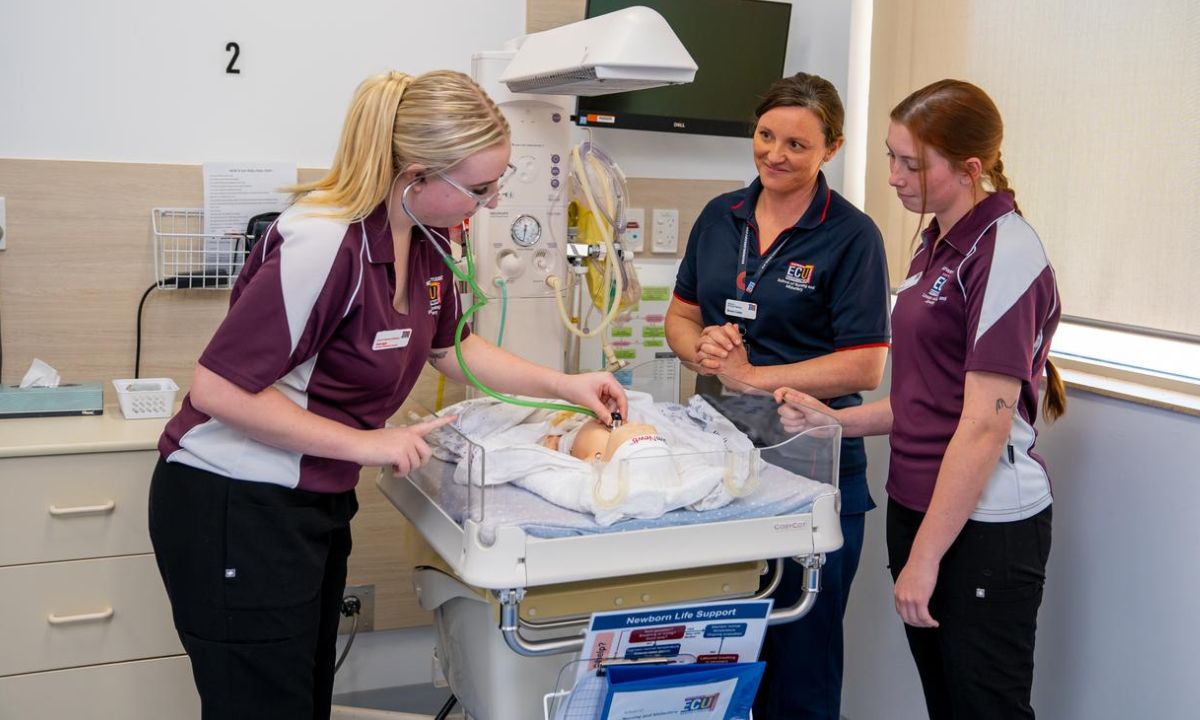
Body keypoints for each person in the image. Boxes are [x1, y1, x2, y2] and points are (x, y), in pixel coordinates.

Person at [148, 70, 627, 720]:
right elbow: (219, 388)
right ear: (416, 176)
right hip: (236, 501)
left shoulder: (429, 239)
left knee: (302, 700)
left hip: (312, 499)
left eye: (499, 183)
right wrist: (370, 443)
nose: (490, 203)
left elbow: (450, 346)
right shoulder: (324, 242)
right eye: (479, 188)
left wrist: (564, 386)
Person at [776, 79, 1066, 719]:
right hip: (917, 506)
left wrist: (927, 557)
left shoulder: (1005, 249)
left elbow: (984, 427)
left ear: (969, 168)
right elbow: (924, 399)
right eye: (891, 156)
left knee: (985, 709)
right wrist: (835, 420)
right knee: (947, 704)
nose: (894, 177)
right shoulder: (935, 240)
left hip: (981, 526)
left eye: (912, 164)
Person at [664, 72, 891, 719]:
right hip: (716, 464)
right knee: (714, 660)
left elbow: (865, 365)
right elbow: (680, 317)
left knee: (800, 668)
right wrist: (703, 349)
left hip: (809, 467)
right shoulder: (720, 216)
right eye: (766, 135)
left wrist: (752, 377)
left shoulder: (851, 236)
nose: (775, 154)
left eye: (797, 144)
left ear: (832, 149)